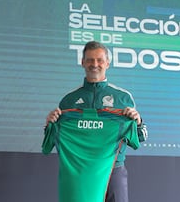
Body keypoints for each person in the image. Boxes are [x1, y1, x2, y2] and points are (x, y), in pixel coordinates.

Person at [45, 41, 148, 202]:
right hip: (80, 173)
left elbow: (140, 138)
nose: (95, 64)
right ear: (82, 63)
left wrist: (138, 121)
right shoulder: (68, 100)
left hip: (113, 170)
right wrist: (50, 124)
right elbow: (54, 140)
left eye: (99, 60)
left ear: (107, 63)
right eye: (90, 60)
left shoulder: (123, 98)